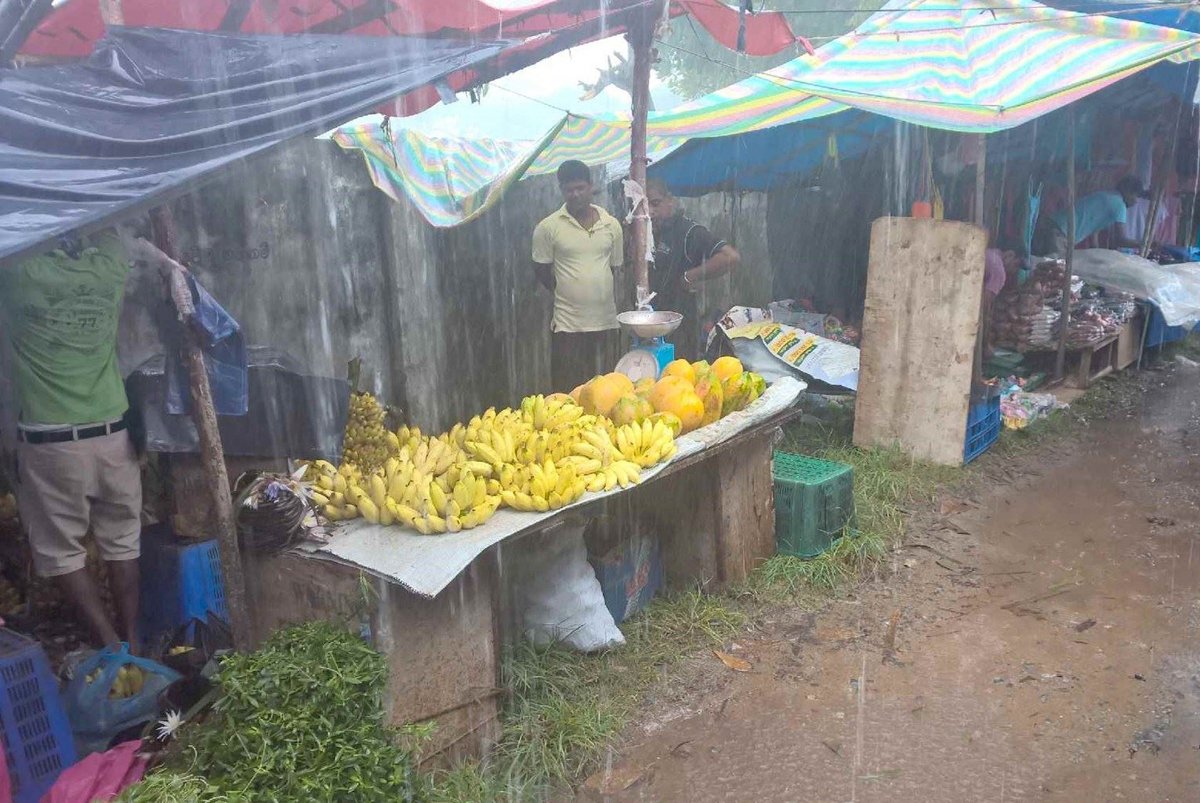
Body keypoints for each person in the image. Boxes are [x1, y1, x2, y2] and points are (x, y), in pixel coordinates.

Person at [0, 231, 142, 649]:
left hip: (51, 443)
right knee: (123, 540)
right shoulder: (109, 267)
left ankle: (109, 645)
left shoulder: (18, 271)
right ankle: (133, 641)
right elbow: (118, 234)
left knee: (61, 550)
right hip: (113, 435)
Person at [532, 160, 625, 392]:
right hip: (568, 325)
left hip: (606, 321)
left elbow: (614, 267)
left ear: (591, 186)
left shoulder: (612, 226)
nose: (575, 194)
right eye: (569, 189)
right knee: (567, 392)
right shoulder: (547, 228)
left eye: (580, 188)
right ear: (561, 190)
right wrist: (566, 289)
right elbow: (541, 269)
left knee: (607, 392)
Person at [645, 178, 740, 360]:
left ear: (670, 200)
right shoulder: (645, 231)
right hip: (649, 324)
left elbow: (730, 257)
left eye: (655, 203)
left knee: (679, 374)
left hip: (680, 327)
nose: (650, 211)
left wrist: (690, 276)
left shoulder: (689, 232)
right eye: (643, 206)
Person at [1034, 176, 1143, 256]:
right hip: (1060, 233)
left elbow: (1094, 228)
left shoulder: (1106, 195)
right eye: (1136, 196)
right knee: (1055, 271)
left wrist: (1095, 251)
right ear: (1127, 191)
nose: (1136, 201)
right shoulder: (1119, 205)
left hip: (1051, 225)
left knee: (1041, 268)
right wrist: (1144, 244)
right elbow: (1121, 239)